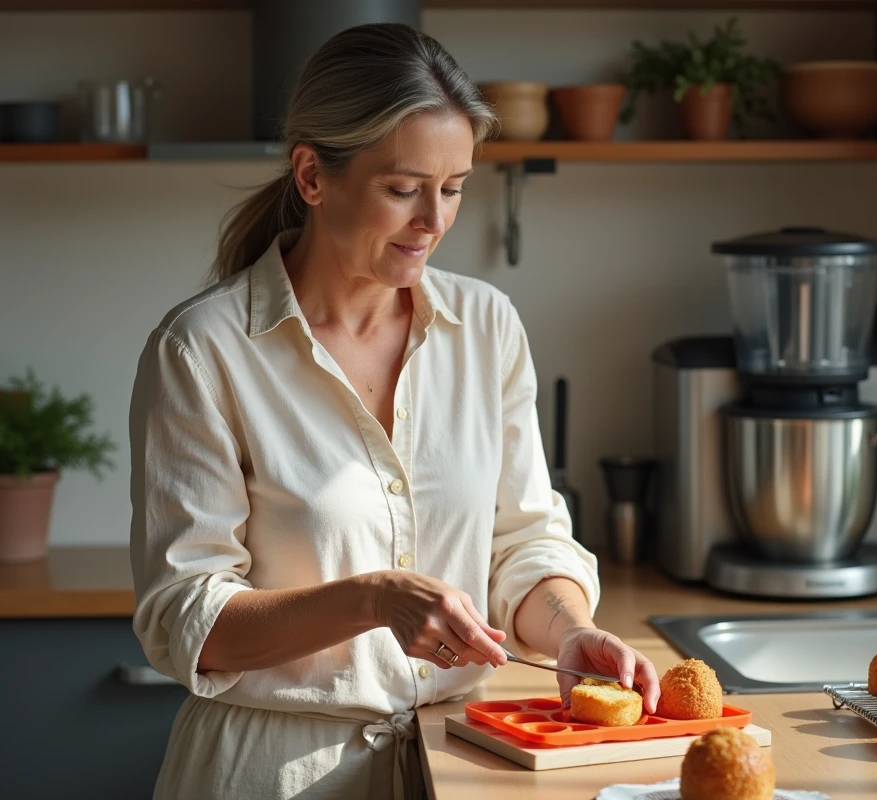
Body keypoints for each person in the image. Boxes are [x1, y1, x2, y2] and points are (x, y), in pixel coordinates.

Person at [128, 21, 660, 800]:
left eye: (453, 189)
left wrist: (573, 632)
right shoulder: (203, 350)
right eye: (403, 189)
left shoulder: (486, 328)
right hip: (267, 775)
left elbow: (525, 540)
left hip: (457, 764)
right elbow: (185, 620)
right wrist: (372, 600)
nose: (434, 222)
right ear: (312, 175)